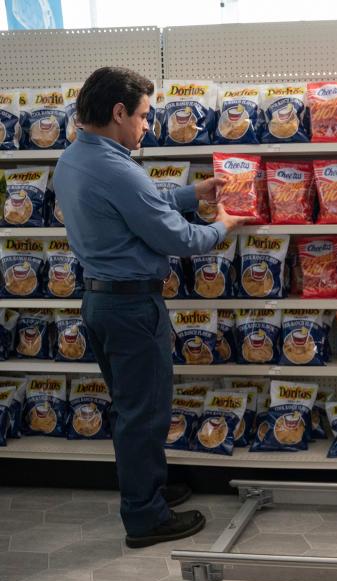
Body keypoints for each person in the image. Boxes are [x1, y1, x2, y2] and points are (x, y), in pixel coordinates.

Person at [54, 67, 248, 547]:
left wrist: (188, 194)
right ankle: (145, 517)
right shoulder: (118, 166)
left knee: (131, 408)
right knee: (146, 413)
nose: (147, 125)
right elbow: (176, 237)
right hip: (132, 308)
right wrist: (223, 226)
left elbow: (134, 203)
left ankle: (150, 491)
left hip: (100, 302)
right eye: (142, 116)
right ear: (118, 112)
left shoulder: (75, 158)